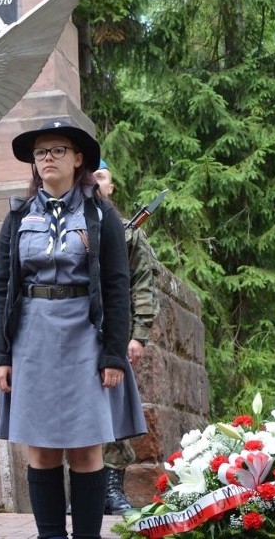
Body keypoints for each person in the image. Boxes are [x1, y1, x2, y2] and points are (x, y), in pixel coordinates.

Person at [0, 119, 147, 539]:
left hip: (85, 335)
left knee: (85, 446)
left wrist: (114, 353)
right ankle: (50, 536)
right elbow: (2, 287)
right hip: (32, 336)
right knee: (40, 448)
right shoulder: (19, 216)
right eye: (41, 153)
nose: (48, 159)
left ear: (79, 160)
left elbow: (117, 287)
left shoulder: (100, 215)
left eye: (58, 150)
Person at [93, 160, 160, 515]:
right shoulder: (76, 227)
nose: (95, 181)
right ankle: (87, 493)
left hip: (117, 335)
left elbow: (142, 285)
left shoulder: (129, 232)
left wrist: (139, 335)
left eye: (102, 176)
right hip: (81, 334)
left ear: (111, 187)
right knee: (83, 415)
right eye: (91, 176)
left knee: (116, 414)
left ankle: (113, 490)